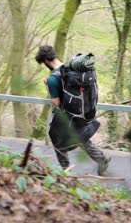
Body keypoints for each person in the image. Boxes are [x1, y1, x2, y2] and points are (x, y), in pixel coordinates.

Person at [35, 45, 111, 175]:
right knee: (80, 137)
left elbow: (56, 102)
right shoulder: (70, 69)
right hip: (82, 112)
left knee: (57, 141)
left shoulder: (53, 79)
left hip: (67, 115)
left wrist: (47, 84)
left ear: (46, 61)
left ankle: (65, 171)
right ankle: (101, 159)